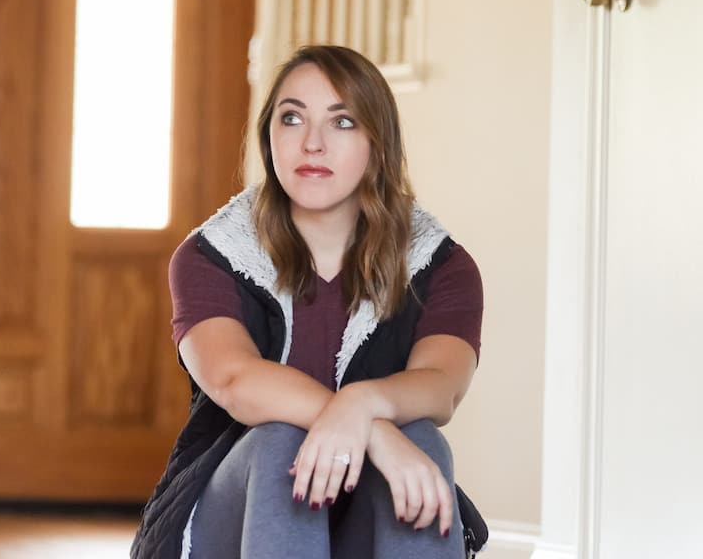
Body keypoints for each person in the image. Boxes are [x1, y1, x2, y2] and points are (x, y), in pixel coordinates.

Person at [131, 45, 485, 559]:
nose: (312, 143)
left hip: (366, 516)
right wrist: (369, 430)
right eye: (292, 118)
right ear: (269, 136)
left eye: (342, 122)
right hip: (235, 516)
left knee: (425, 441)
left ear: (377, 143)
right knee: (279, 441)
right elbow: (235, 381)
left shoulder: (441, 265)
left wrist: (363, 404)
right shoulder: (212, 256)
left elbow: (441, 388)